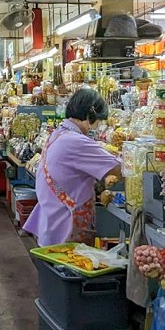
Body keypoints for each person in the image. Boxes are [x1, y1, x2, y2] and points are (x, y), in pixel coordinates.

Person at [22, 89, 120, 246]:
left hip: (53, 222)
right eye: (99, 121)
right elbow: (119, 169)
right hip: (66, 229)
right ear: (90, 115)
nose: (97, 127)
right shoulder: (75, 141)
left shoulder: (59, 134)